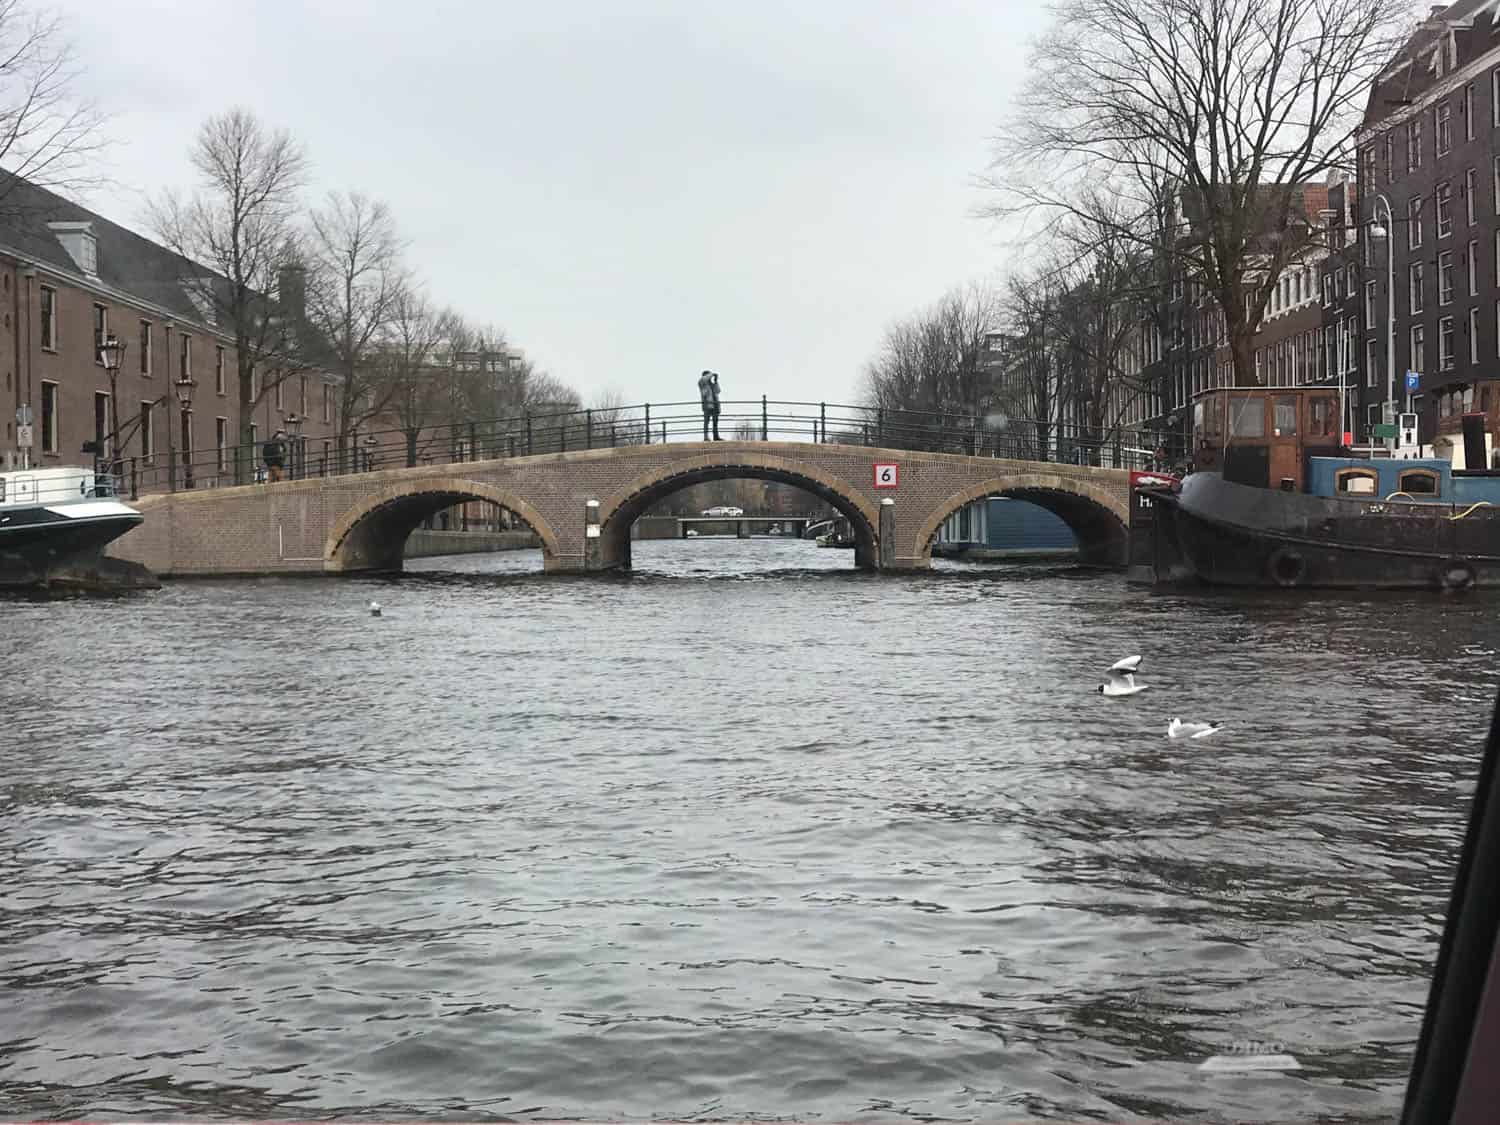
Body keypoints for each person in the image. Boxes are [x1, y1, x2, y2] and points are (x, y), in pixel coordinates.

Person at [698, 369, 722, 441]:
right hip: (707, 405)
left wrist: (716, 381)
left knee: (715, 422)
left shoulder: (712, 384)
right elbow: (704, 379)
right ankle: (706, 437)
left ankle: (716, 436)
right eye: (708, 376)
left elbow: (718, 391)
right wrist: (712, 374)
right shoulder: (702, 383)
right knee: (706, 421)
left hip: (715, 405)